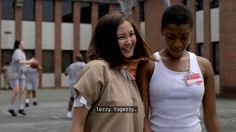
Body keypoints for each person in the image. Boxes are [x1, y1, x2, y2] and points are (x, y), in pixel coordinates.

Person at [136, 4, 221, 132]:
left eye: (184, 37)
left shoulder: (204, 66)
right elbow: (142, 116)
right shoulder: (150, 64)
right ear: (162, 31)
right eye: (171, 37)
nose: (177, 44)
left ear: (191, 33)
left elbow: (211, 119)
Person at [71, 11, 154, 132]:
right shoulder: (96, 70)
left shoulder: (127, 76)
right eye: (121, 37)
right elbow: (77, 124)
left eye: (131, 34)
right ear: (107, 41)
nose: (129, 41)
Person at [8, 40, 36, 116]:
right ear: (19, 45)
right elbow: (20, 62)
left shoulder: (23, 53)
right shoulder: (17, 51)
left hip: (21, 73)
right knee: (16, 91)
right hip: (15, 73)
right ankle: (10, 107)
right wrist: (30, 61)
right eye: (23, 43)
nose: (24, 44)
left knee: (23, 91)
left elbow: (23, 64)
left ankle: (21, 108)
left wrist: (30, 65)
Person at [65, 54, 86, 119]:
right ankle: (82, 113)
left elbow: (65, 73)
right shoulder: (83, 64)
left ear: (76, 59)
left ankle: (69, 113)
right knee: (83, 98)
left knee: (72, 98)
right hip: (81, 82)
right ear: (81, 58)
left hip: (72, 83)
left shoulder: (71, 65)